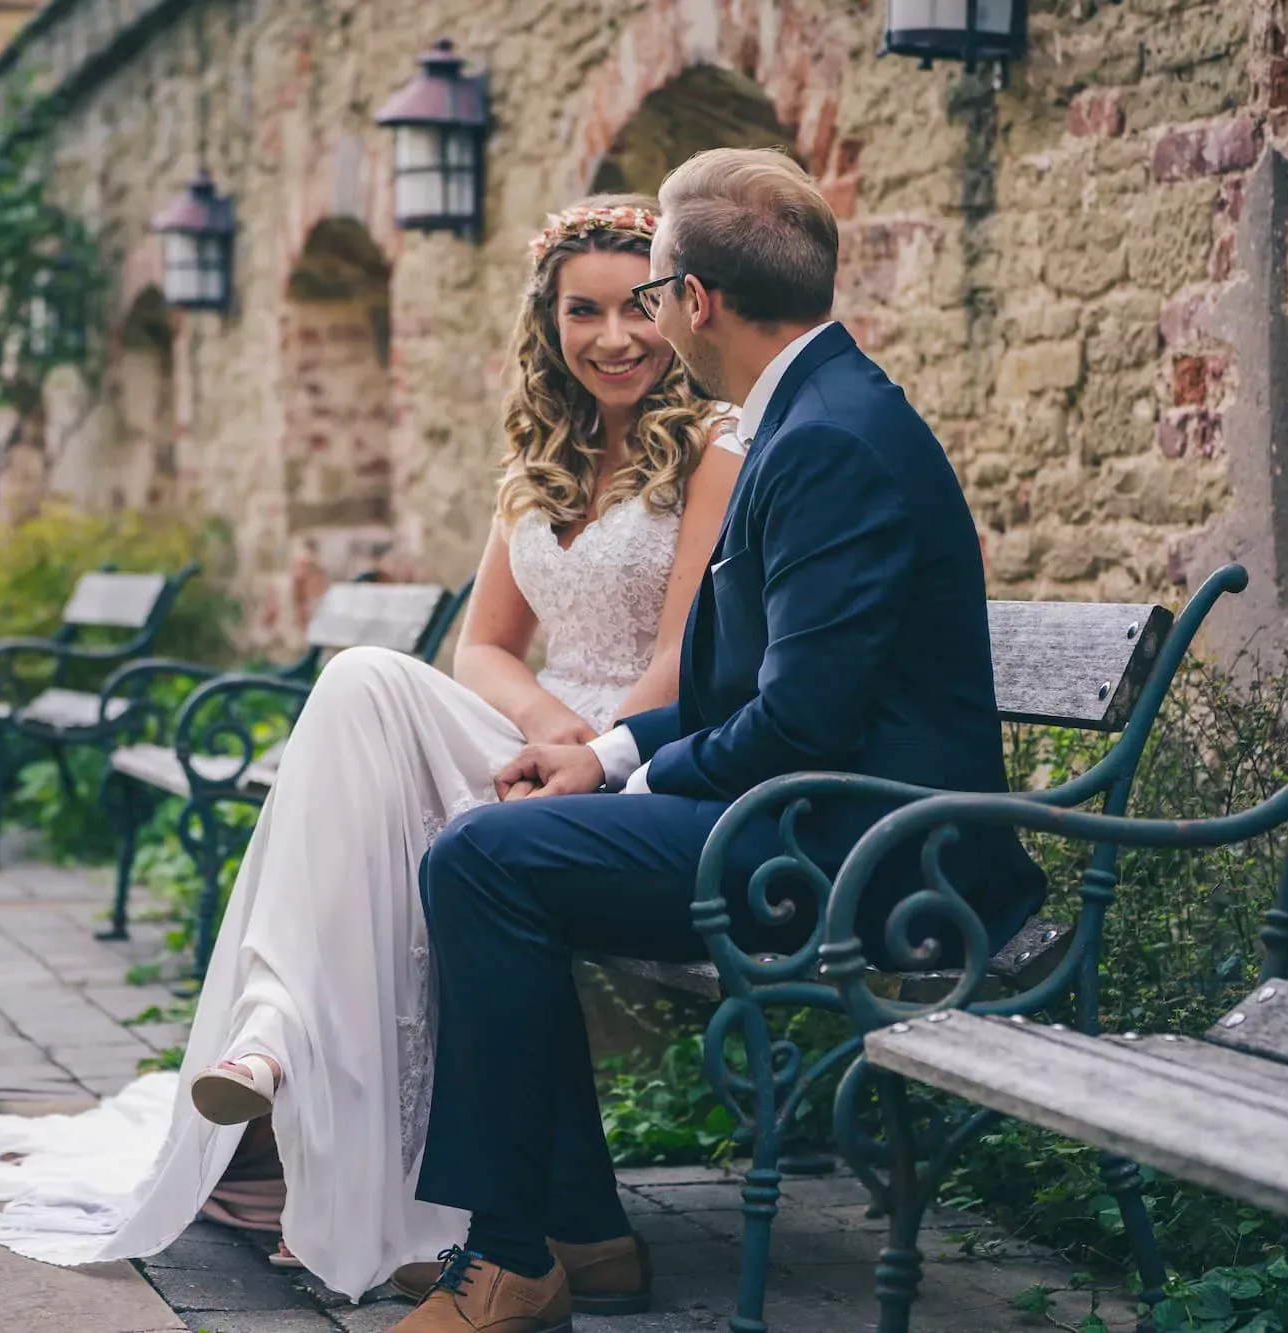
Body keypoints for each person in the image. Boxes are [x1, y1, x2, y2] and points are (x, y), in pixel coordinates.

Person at [0, 194, 745, 1304]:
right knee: (362, 679)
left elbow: (681, 658)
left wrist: (598, 747)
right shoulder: (542, 460)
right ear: (547, 323)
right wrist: (544, 726)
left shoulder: (714, 453)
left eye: (635, 308)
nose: (612, 337)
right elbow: (483, 647)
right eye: (582, 311)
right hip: (537, 739)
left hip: (636, 763)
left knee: (372, 704)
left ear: (676, 307)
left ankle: (273, 1043)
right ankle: (279, 1041)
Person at [386, 148, 1048, 1333]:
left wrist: (637, 770)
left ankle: (506, 1254)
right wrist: (603, 759)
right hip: (817, 817)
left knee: (482, 860)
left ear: (692, 299)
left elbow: (796, 721)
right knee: (502, 850)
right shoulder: (806, 413)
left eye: (649, 293)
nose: (641, 318)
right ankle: (573, 1234)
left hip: (873, 858)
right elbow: (740, 682)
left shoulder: (825, 442)